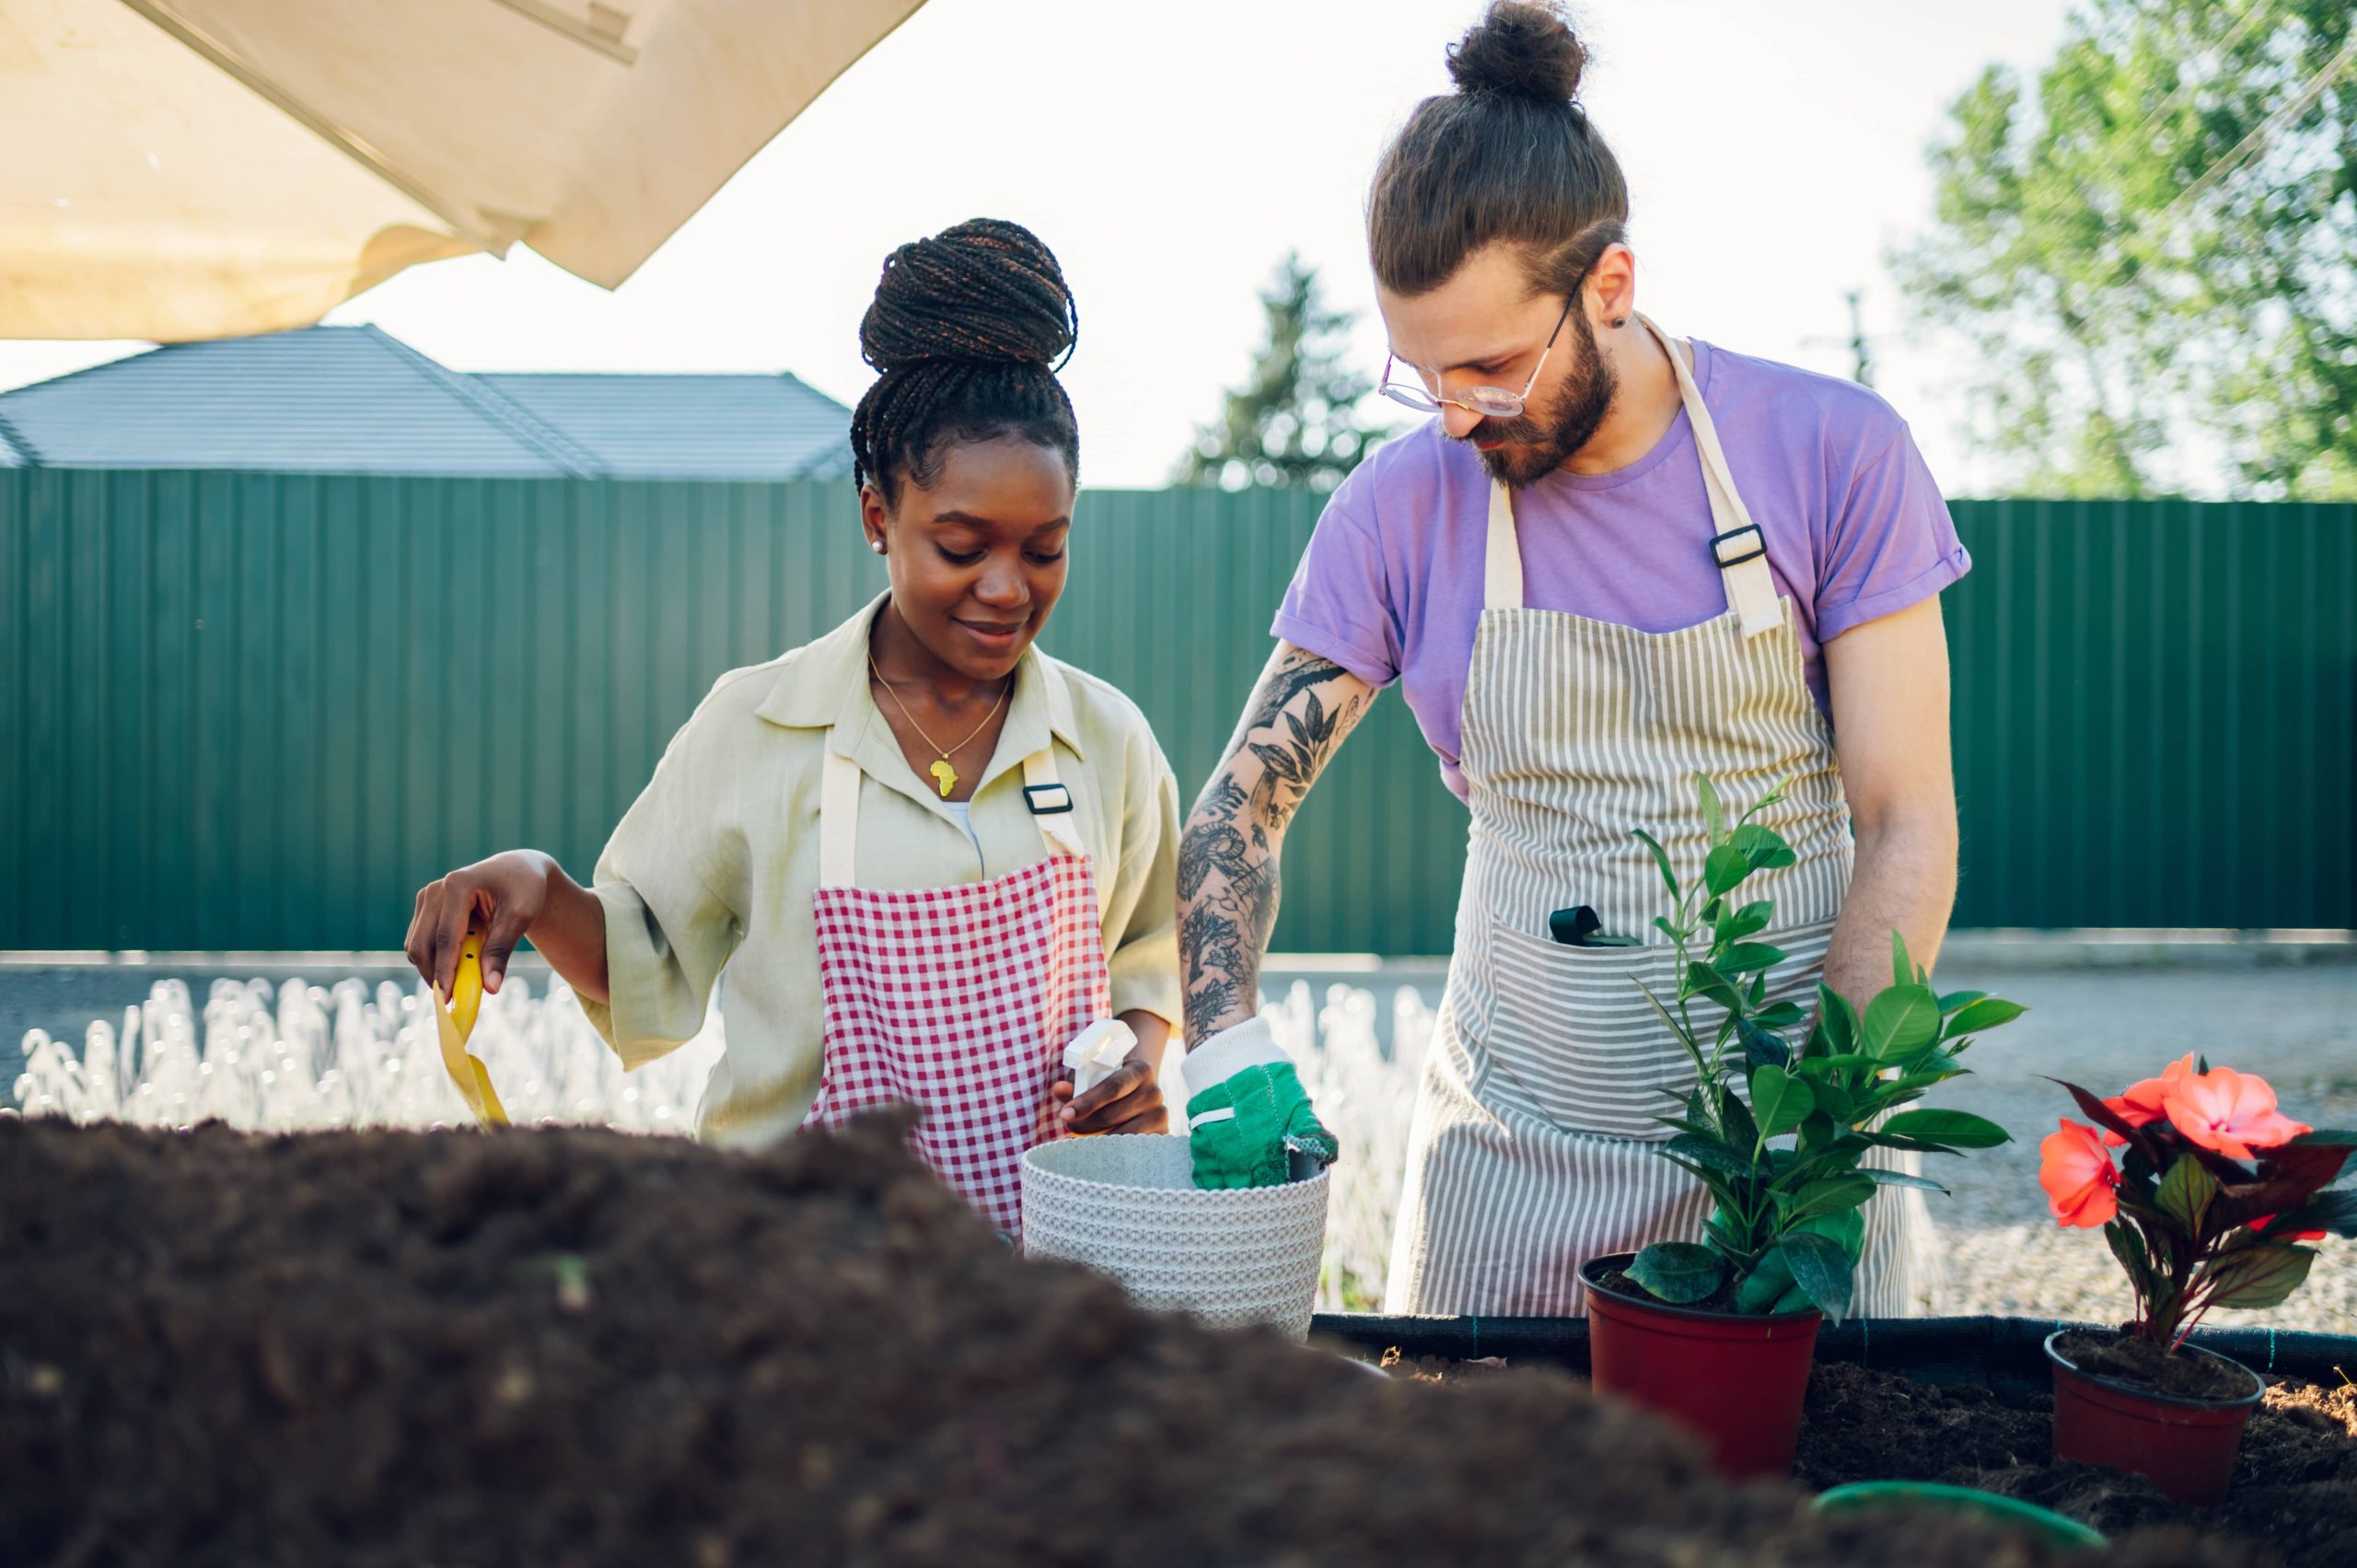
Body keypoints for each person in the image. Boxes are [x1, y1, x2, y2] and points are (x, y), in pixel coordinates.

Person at [1175, 4, 1971, 1314]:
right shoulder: (1400, 506)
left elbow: (1903, 822)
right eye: (1420, 371)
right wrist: (1226, 1052)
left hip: (1779, 1151)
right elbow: (1235, 815)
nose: (1452, 413)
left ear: (1609, 285)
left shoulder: (1834, 453)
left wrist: (1817, 1149)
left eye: (1489, 367)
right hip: (1510, 1160)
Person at [407, 219, 1182, 1235]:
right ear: (875, 514)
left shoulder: (1105, 738)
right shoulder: (759, 725)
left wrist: (1132, 1054)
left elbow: (1150, 950)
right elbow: (647, 964)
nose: (1006, 588)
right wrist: (539, 886)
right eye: (960, 544)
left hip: (1038, 1280)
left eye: (1045, 548)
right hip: (795, 1276)